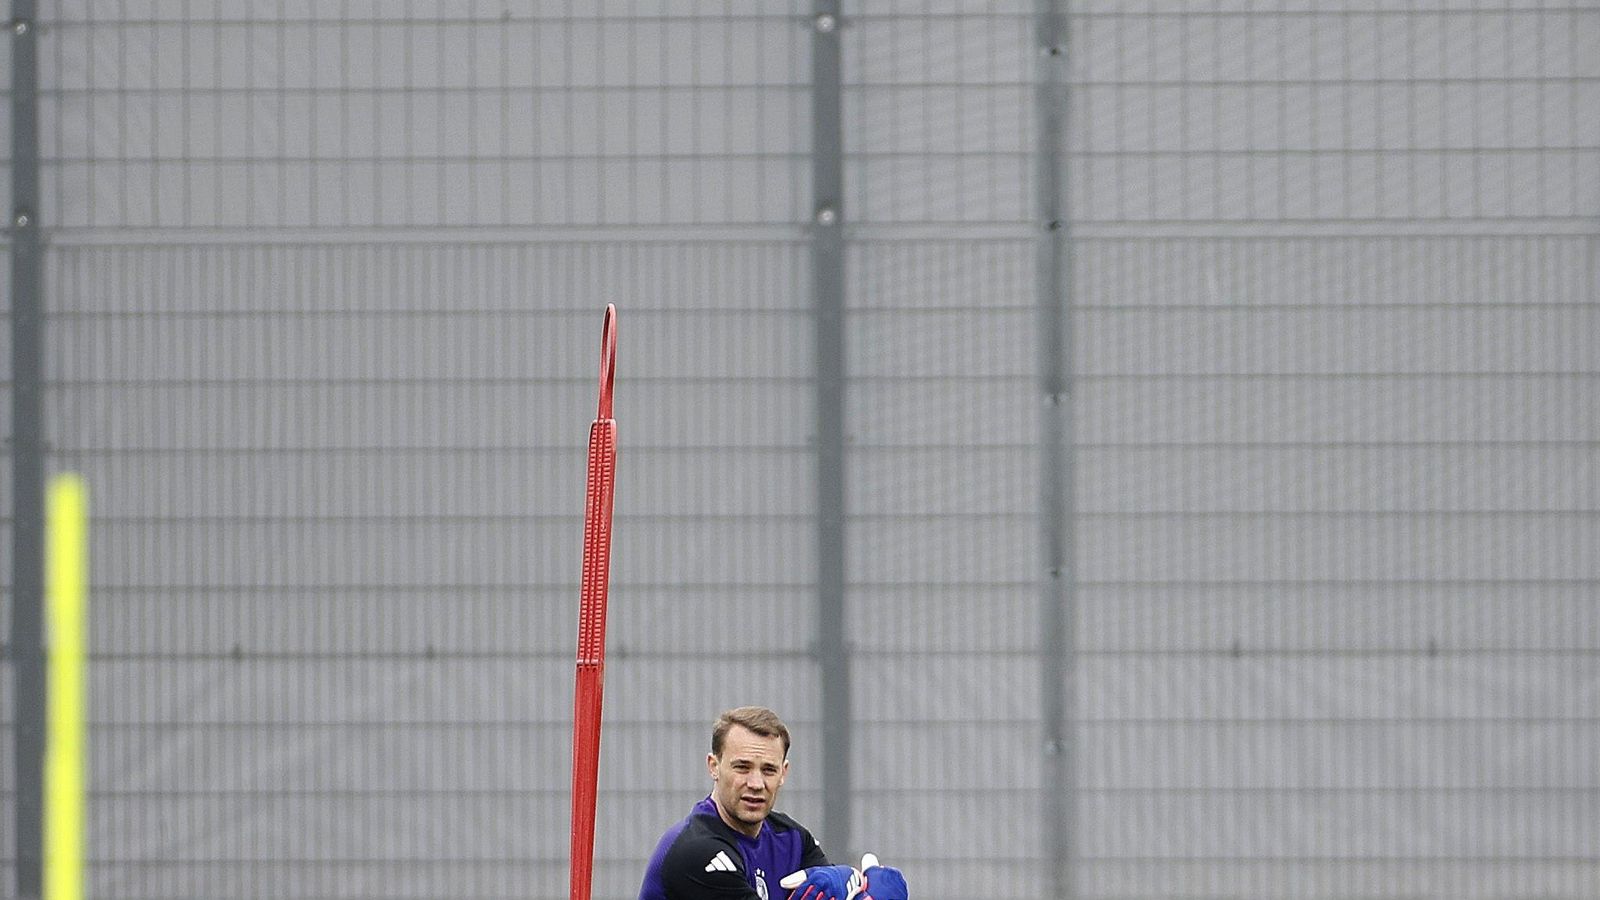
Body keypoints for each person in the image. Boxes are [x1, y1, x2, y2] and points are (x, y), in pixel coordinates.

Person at [638, 706, 907, 900]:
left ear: (783, 773)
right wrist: (863, 886)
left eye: (768, 770)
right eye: (742, 767)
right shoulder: (697, 852)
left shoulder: (790, 838)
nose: (756, 783)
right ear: (714, 766)